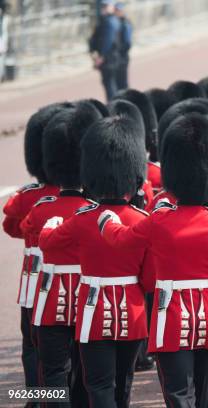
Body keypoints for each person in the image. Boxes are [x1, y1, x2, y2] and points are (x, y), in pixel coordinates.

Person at [98, 113, 208, 407]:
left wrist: (106, 220)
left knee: (178, 392)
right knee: (206, 390)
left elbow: (121, 239)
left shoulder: (159, 220)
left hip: (171, 316)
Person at [39, 114, 152, 408]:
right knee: (122, 384)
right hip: (132, 311)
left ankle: (34, 399)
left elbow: (47, 243)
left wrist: (50, 224)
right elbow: (150, 279)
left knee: (98, 385)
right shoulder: (142, 221)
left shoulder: (81, 220)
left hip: (92, 311)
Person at [23, 102, 101, 407]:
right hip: (87, 297)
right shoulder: (93, 212)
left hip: (50, 296)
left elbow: (26, 227)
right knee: (84, 369)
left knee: (52, 369)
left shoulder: (42, 208)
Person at [2, 104, 68, 396]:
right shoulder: (87, 200)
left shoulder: (29, 198)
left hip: (36, 278)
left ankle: (37, 397)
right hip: (77, 280)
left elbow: (11, 227)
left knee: (32, 342)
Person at [89, 0, 121, 101]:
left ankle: (113, 107)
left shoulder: (108, 21)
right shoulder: (112, 20)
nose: (103, 8)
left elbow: (107, 41)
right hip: (112, 57)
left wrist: (101, 57)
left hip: (108, 58)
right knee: (111, 83)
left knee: (109, 84)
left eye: (106, 6)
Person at [115, 3, 132, 91]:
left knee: (123, 83)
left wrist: (119, 51)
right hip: (117, 57)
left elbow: (127, 43)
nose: (117, 12)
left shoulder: (125, 23)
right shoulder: (115, 22)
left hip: (122, 57)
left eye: (119, 11)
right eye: (116, 10)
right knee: (117, 82)